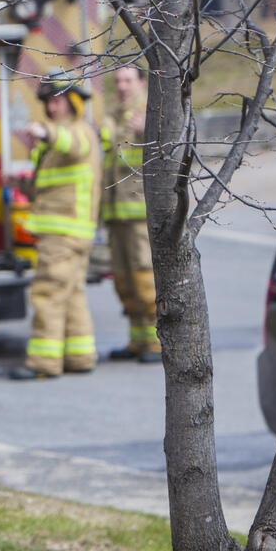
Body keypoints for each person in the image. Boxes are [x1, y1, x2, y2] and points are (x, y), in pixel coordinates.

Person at [10, 77, 103, 380]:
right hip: (72, 232)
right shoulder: (60, 139)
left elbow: (71, 145)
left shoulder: (76, 132)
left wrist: (44, 131)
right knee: (71, 294)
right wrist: (19, 183)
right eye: (48, 102)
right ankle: (80, 356)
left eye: (58, 100)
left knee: (47, 293)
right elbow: (46, 186)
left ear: (73, 102)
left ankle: (43, 362)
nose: (51, 107)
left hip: (62, 234)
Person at [101, 64, 161, 363]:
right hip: (116, 213)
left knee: (144, 277)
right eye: (117, 81)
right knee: (124, 279)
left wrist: (147, 131)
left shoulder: (152, 111)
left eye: (127, 80)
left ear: (140, 81)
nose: (121, 86)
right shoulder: (114, 114)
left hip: (139, 212)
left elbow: (171, 151)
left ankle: (157, 342)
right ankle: (137, 339)